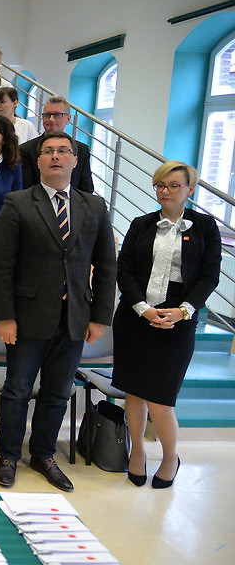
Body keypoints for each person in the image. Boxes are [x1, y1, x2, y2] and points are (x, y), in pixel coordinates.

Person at [0, 131, 116, 492]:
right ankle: (9, 455)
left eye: (63, 151)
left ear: (75, 160)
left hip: (75, 317)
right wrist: (5, 316)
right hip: (27, 316)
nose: (55, 156)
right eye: (48, 151)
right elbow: (0, 265)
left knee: (58, 393)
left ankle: (43, 454)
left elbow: (107, 266)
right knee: (17, 390)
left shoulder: (94, 206)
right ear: (39, 160)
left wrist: (100, 317)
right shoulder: (18, 202)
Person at [111, 161, 221, 489]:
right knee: (133, 393)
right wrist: (143, 309)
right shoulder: (141, 224)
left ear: (190, 189)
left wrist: (184, 310)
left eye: (174, 185)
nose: (165, 191)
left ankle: (170, 457)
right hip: (136, 316)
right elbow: (124, 270)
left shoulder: (205, 227)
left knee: (161, 399)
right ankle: (137, 452)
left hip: (179, 318)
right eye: (160, 185)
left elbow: (209, 276)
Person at [19, 96, 94, 192]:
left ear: (68, 119)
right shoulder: (26, 150)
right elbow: (25, 189)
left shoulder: (82, 150)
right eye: (47, 115)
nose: (51, 119)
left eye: (57, 115)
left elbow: (86, 189)